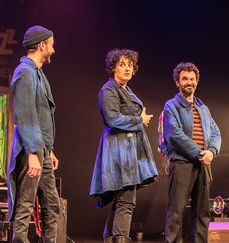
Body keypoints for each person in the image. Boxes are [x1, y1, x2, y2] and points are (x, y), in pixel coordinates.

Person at [89, 49, 158, 243]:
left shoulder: (126, 90)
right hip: (118, 151)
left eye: (130, 65)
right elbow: (112, 118)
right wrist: (139, 119)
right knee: (126, 200)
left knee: (122, 200)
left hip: (128, 149)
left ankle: (110, 239)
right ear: (113, 68)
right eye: (122, 64)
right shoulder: (109, 90)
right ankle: (120, 239)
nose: (127, 68)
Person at [7, 25, 60, 243]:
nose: (54, 50)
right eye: (52, 44)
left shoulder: (38, 74)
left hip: (42, 149)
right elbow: (26, 114)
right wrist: (32, 153)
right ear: (42, 45)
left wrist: (49, 150)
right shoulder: (25, 73)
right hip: (32, 149)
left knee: (52, 204)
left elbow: (42, 114)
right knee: (25, 204)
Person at [162, 62, 221, 242]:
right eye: (185, 79)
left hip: (203, 165)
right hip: (181, 163)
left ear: (197, 81)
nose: (189, 82)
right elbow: (174, 134)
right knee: (176, 213)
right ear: (177, 83)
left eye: (192, 79)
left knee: (202, 213)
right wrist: (200, 153)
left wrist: (211, 151)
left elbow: (216, 133)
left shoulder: (203, 108)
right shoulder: (171, 106)